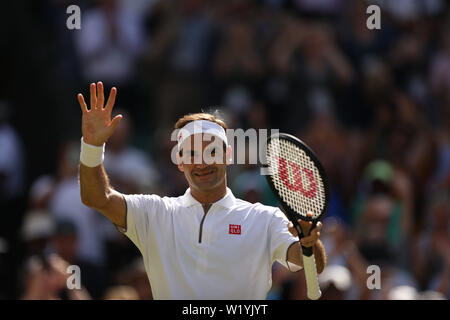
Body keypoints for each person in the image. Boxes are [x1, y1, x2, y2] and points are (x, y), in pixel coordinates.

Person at [77, 82, 326, 299]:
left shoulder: (265, 218)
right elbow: (96, 197)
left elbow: (309, 261)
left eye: (212, 152)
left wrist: (310, 243)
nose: (202, 162)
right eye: (193, 153)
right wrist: (92, 145)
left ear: (228, 156)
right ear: (180, 160)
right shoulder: (155, 213)